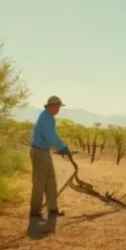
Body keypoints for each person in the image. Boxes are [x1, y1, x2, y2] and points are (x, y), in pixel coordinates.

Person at [29, 95, 72, 231]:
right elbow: (50, 136)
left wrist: (63, 146)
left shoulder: (49, 118)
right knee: (40, 183)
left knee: (51, 181)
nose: (59, 109)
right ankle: (35, 212)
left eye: (60, 106)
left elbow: (54, 135)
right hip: (39, 151)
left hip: (44, 151)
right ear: (50, 106)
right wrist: (61, 147)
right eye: (57, 106)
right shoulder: (45, 117)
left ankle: (53, 209)